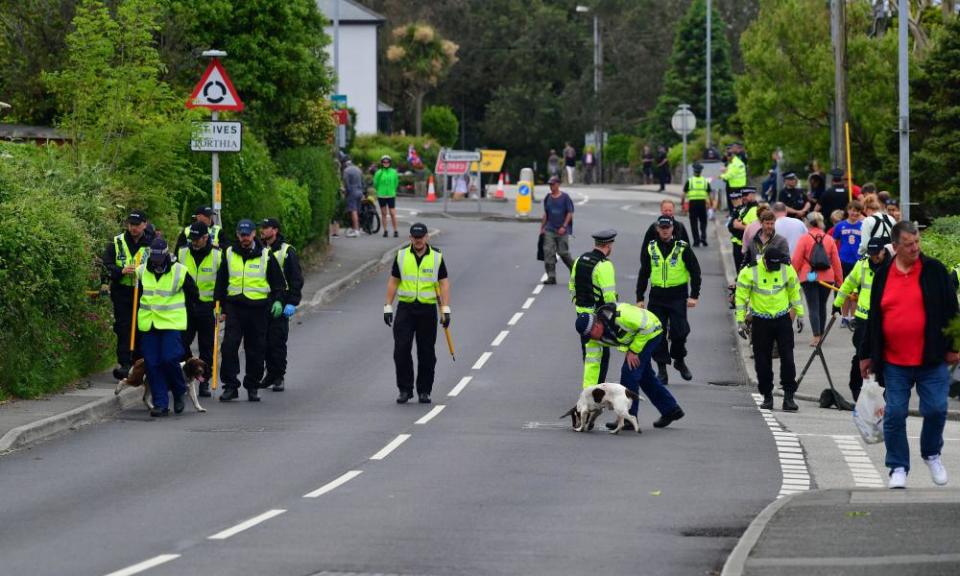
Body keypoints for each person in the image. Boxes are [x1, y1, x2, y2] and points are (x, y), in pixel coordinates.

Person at [860, 221, 959, 489]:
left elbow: (953, 310)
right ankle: (898, 467)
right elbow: (874, 317)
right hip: (894, 361)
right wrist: (866, 354)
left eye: (917, 242)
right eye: (908, 244)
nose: (915, 248)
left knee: (937, 409)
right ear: (895, 246)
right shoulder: (883, 275)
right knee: (894, 414)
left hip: (932, 357)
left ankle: (931, 453)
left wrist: (955, 346)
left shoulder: (935, 271)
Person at [575, 302, 686, 431]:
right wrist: (587, 395)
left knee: (629, 373)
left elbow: (648, 327)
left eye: (591, 332)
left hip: (651, 331)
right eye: (587, 335)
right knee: (646, 377)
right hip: (638, 338)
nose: (591, 337)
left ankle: (629, 417)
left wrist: (634, 350)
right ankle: (671, 410)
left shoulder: (620, 315)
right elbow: (592, 366)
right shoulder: (592, 339)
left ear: (597, 323)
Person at [214, 219, 286, 402]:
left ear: (254, 234)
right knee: (229, 346)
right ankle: (231, 386)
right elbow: (221, 282)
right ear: (237, 234)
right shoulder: (229, 253)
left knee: (255, 349)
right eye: (241, 234)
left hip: (258, 309)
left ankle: (252, 385)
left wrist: (278, 301)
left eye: (247, 234)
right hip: (235, 307)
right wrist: (219, 305)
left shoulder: (265, 255)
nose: (244, 238)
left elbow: (278, 283)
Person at [383, 223, 451, 404]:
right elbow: (393, 281)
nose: (418, 240)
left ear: (427, 237)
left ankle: (424, 390)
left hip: (427, 309)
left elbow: (443, 283)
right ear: (410, 238)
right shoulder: (402, 255)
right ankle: (405, 389)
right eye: (415, 237)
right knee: (401, 349)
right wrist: (388, 306)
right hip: (406, 308)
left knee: (426, 352)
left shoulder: (436, 256)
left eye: (421, 237)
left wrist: (445, 309)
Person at [136, 238, 199, 417]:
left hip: (171, 323)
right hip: (149, 323)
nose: (155, 260)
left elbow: (193, 294)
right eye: (153, 257)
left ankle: (179, 391)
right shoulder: (142, 272)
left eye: (159, 257)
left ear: (166, 255)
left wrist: (191, 315)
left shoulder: (179, 271)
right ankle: (161, 404)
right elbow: (139, 296)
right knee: (152, 364)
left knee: (170, 359)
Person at [736, 246, 804, 410]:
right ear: (764, 260)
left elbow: (794, 291)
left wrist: (800, 315)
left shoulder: (786, 268)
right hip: (761, 320)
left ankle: (788, 397)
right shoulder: (750, 270)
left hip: (782, 319)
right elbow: (741, 297)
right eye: (771, 266)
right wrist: (740, 321)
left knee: (788, 359)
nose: (774, 269)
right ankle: (767, 396)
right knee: (762, 361)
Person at [636, 217, 701, 385]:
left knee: (680, 332)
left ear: (673, 228)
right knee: (657, 334)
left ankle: (679, 360)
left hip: (677, 296)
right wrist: (639, 297)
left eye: (668, 227)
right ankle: (662, 370)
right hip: (657, 297)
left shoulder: (682, 248)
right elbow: (644, 273)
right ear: (657, 229)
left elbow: (695, 271)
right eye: (662, 227)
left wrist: (694, 295)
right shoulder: (650, 248)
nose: (665, 230)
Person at [832, 237, 887, 401]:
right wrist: (837, 304)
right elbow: (848, 284)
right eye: (871, 254)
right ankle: (856, 388)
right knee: (861, 354)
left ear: (884, 251)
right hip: (864, 318)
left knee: (882, 356)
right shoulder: (862, 265)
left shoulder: (891, 266)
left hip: (884, 318)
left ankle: (881, 391)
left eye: (877, 254)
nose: (874, 257)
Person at [103, 210, 153, 380]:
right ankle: (125, 364)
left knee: (141, 327)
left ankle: (139, 362)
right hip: (122, 292)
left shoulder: (152, 243)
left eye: (137, 225)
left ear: (144, 224)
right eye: (131, 224)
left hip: (144, 292)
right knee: (123, 327)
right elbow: (106, 266)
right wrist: (121, 271)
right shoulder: (117, 242)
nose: (133, 228)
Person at [260, 218, 304, 392]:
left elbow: (296, 279)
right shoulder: (261, 249)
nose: (262, 230)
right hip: (263, 300)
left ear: (275, 230)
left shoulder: (287, 251)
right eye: (261, 228)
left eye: (266, 228)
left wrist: (292, 302)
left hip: (282, 301)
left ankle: (278, 376)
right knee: (262, 342)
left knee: (277, 341)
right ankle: (269, 374)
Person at [177, 222, 220, 397]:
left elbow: (222, 282)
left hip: (207, 306)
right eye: (192, 239)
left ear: (205, 238)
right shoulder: (181, 252)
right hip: (186, 306)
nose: (194, 242)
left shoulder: (218, 256)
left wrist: (221, 306)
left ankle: (204, 382)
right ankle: (189, 371)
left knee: (206, 346)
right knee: (181, 343)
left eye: (197, 239)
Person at [569, 230, 618, 384]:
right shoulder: (604, 265)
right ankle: (596, 392)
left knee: (589, 355)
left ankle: (590, 390)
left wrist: (578, 304)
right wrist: (612, 318)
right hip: (598, 318)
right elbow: (609, 296)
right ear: (608, 245)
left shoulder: (580, 259)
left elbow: (572, 286)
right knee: (601, 356)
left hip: (582, 316)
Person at [792, 211, 843, 347]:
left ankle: (816, 336)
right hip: (827, 276)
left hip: (809, 276)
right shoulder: (829, 238)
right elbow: (836, 261)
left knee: (812, 306)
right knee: (822, 306)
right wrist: (839, 281)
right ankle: (821, 334)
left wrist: (792, 276)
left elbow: (796, 259)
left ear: (807, 223)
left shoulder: (804, 238)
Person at [832, 200, 864, 325]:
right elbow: (833, 242)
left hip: (857, 262)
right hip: (843, 261)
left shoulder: (862, 226)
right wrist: (833, 259)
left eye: (857, 211)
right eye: (852, 210)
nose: (854, 213)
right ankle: (844, 317)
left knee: (855, 291)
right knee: (845, 290)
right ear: (848, 210)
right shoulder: (840, 226)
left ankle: (853, 317)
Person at [539, 176, 575, 285]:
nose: (551, 187)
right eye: (550, 185)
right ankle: (551, 276)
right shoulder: (548, 198)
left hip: (562, 230)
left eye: (553, 184)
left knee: (563, 252)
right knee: (548, 252)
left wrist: (564, 226)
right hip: (549, 229)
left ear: (558, 184)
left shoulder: (565, 198)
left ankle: (575, 271)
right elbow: (546, 213)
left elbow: (570, 213)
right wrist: (542, 228)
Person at [682, 162, 713, 247]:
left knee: (693, 223)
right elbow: (710, 194)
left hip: (693, 204)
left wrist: (682, 204)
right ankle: (703, 238)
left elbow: (684, 194)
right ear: (701, 171)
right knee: (703, 222)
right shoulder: (705, 181)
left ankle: (696, 241)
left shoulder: (690, 181)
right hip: (702, 203)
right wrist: (711, 204)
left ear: (694, 171)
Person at [731, 187, 760, 270]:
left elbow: (756, 229)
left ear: (753, 195)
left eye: (746, 195)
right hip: (738, 244)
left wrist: (740, 225)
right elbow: (733, 223)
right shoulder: (745, 208)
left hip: (746, 247)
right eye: (742, 195)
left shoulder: (755, 210)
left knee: (744, 272)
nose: (743, 197)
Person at [373, 155, 399, 238]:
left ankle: (395, 230)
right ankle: (385, 230)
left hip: (391, 195)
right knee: (384, 213)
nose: (386, 163)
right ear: (382, 163)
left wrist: (393, 190)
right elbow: (375, 184)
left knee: (392, 213)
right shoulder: (379, 172)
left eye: (387, 162)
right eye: (384, 162)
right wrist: (380, 190)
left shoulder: (393, 172)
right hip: (381, 195)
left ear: (390, 163)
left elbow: (396, 182)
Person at [720, 143, 747, 210]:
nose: (731, 149)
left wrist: (721, 176)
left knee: (737, 200)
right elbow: (723, 160)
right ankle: (732, 212)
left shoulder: (739, 157)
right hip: (733, 182)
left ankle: (735, 213)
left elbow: (732, 173)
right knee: (732, 198)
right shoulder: (733, 159)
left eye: (731, 148)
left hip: (735, 182)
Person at [342, 158, 365, 237]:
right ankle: (358, 227)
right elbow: (363, 181)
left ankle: (356, 230)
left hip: (352, 192)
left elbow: (346, 183)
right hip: (359, 191)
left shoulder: (346, 171)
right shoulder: (358, 170)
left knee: (353, 211)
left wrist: (346, 192)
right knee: (357, 210)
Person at [726, 190, 745, 270]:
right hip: (736, 241)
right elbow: (730, 225)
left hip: (742, 243)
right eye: (732, 199)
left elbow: (737, 226)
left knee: (741, 266)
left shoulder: (742, 210)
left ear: (741, 198)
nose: (734, 201)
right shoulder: (735, 210)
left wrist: (734, 225)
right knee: (737, 266)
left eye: (736, 199)